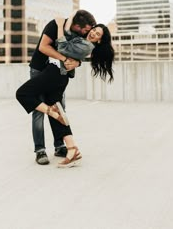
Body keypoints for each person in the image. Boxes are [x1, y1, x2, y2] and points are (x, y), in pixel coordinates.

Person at [16, 18, 115, 168]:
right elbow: (52, 48)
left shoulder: (85, 44)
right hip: (49, 71)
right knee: (59, 114)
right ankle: (71, 148)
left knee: (23, 94)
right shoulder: (79, 37)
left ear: (100, 40)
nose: (92, 32)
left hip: (54, 74)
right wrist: (76, 61)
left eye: (97, 33)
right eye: (93, 30)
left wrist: (61, 26)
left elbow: (63, 47)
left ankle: (52, 115)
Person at [28, 10, 96, 165]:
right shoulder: (55, 25)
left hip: (58, 73)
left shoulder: (79, 34)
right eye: (85, 30)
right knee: (39, 110)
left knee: (59, 108)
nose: (87, 33)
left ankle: (59, 146)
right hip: (39, 70)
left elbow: (80, 52)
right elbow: (43, 47)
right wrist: (64, 58)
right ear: (77, 26)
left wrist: (77, 62)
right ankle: (40, 150)